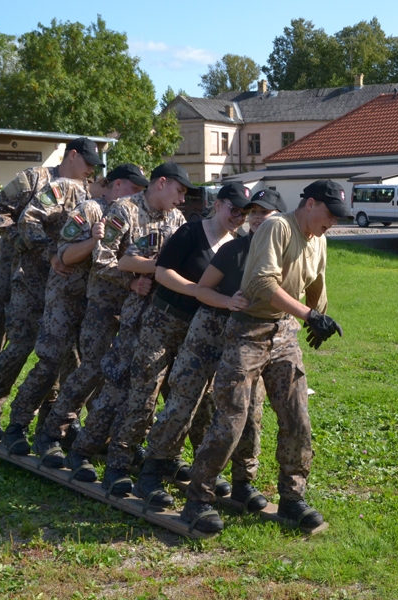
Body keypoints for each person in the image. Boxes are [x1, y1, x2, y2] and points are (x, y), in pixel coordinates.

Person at [179, 180, 350, 534]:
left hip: (284, 331)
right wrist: (308, 315)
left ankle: (292, 498)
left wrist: (318, 315)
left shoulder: (319, 238)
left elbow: (316, 282)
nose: (333, 221)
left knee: (297, 416)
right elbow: (261, 283)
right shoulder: (278, 227)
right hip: (248, 330)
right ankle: (198, 499)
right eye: (330, 213)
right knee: (231, 419)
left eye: (338, 216)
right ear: (310, 203)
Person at [11, 162, 190, 464]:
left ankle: (121, 440)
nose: (182, 199)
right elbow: (102, 260)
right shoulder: (123, 210)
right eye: (179, 190)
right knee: (92, 369)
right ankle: (51, 433)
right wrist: (131, 281)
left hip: (143, 312)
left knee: (135, 378)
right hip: (105, 305)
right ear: (162, 183)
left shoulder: (176, 218)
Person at [84, 182, 252, 499]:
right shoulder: (190, 232)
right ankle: (118, 466)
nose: (238, 217)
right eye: (234, 210)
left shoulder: (236, 244)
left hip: (199, 331)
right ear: (218, 205)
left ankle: (174, 462)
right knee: (144, 394)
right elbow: (162, 273)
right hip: (163, 322)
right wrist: (199, 291)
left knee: (191, 401)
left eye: (244, 213)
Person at [134, 189, 285, 510]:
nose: (256, 218)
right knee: (184, 399)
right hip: (209, 329)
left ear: (280, 220)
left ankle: (242, 481)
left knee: (249, 410)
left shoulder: (285, 253)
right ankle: (153, 469)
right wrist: (228, 302)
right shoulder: (234, 248)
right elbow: (203, 290)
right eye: (253, 212)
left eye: (265, 213)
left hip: (249, 337)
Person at [0, 137, 103, 433]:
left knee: (58, 348)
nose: (91, 170)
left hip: (57, 278)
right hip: (13, 270)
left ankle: (50, 420)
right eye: (88, 163)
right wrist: (22, 242)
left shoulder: (85, 191)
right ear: (72, 155)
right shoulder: (35, 178)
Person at [0, 164, 148, 453]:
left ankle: (71, 431)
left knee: (90, 368)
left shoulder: (131, 214)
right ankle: (17, 425)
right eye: (134, 188)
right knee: (50, 362)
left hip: (100, 303)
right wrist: (94, 239)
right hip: (67, 296)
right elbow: (65, 257)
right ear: (117, 185)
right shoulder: (90, 210)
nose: (137, 195)